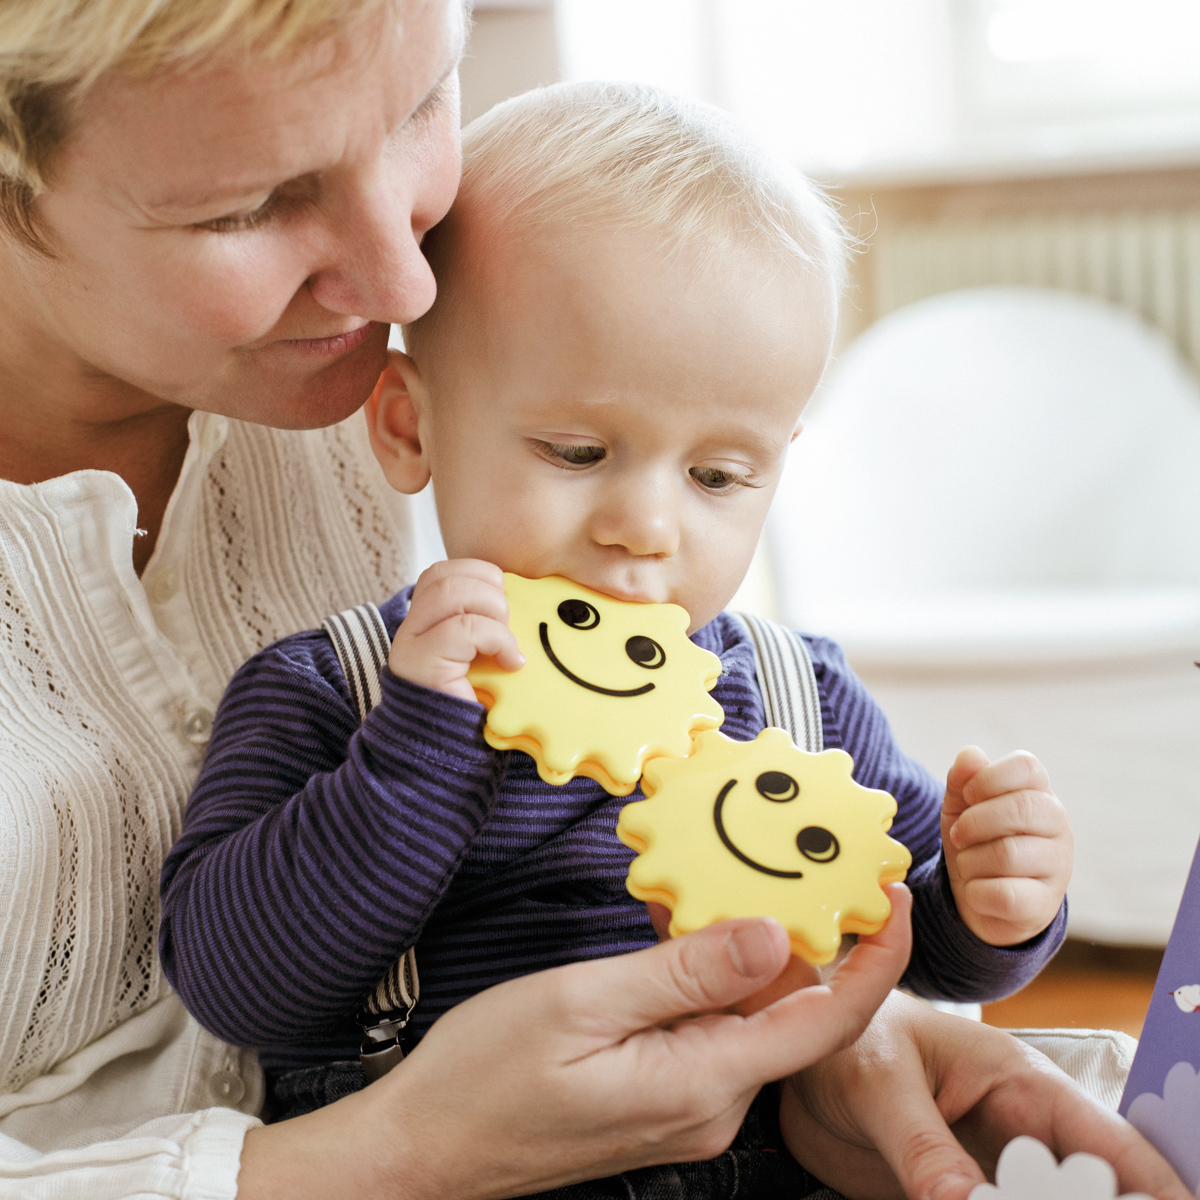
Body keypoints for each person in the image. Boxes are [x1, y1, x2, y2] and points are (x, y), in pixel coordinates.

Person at [0, 2, 1189, 1198]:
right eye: (576, 452)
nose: (647, 525)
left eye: (721, 476)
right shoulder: (337, 693)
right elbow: (239, 982)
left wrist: (998, 904)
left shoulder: (792, 694)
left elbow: (908, 929)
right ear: (409, 428)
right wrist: (418, 752)